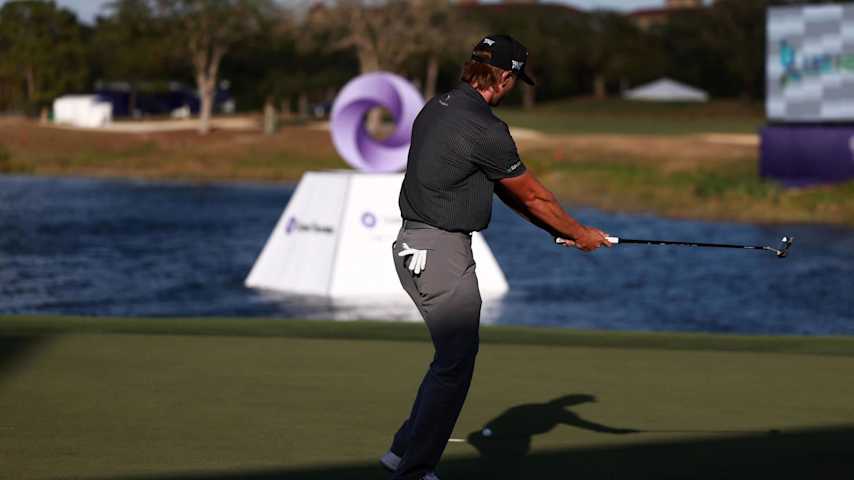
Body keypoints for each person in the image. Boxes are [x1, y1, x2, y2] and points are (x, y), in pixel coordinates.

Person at [382, 34, 612, 480]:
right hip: (441, 253)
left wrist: (556, 231)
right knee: (454, 363)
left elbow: (512, 197)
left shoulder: (438, 106)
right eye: (514, 81)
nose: (513, 89)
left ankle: (401, 450)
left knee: (449, 360)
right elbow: (536, 196)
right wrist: (580, 233)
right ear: (504, 77)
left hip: (413, 246)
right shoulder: (486, 129)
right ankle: (413, 470)